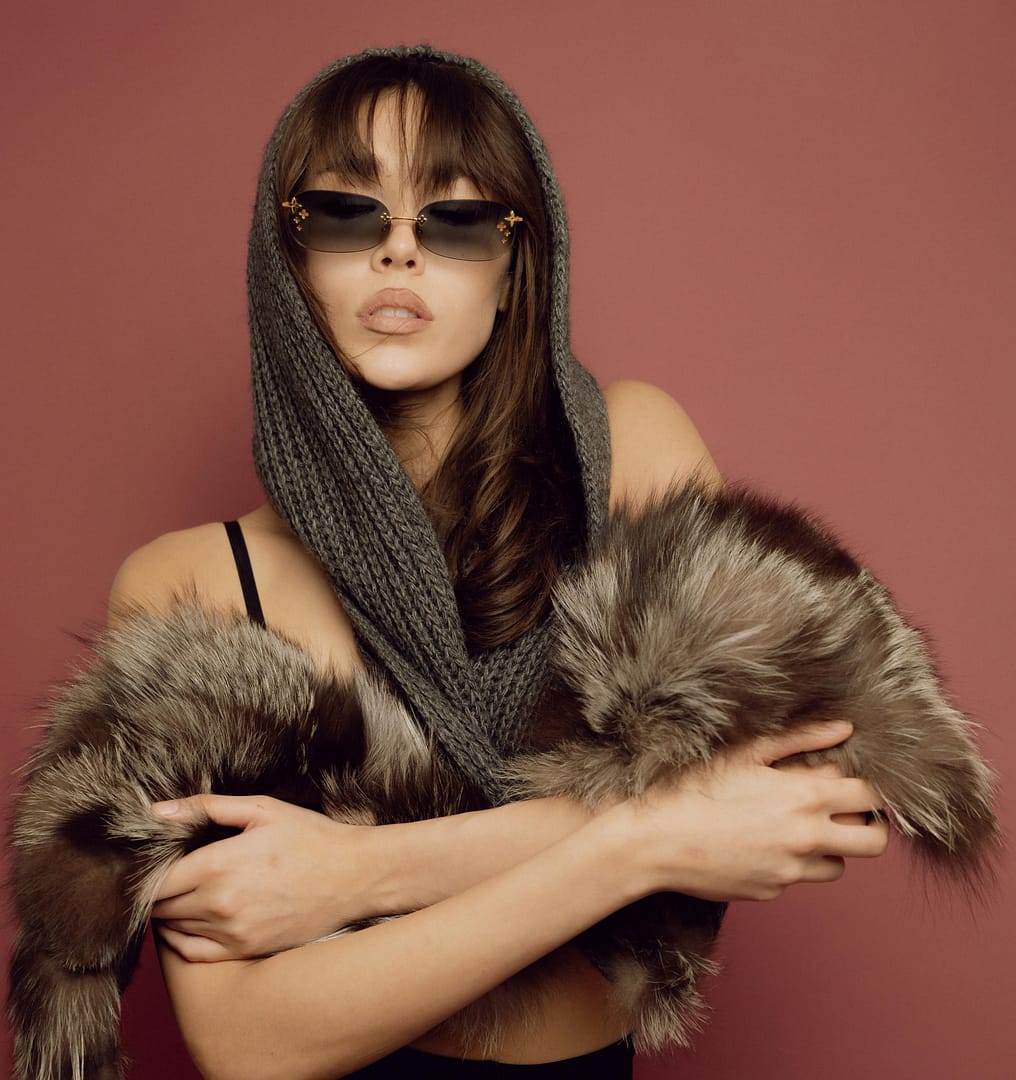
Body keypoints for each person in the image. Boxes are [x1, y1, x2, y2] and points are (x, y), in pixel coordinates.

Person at [108, 46, 887, 1079]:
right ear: (287, 265)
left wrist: (361, 874)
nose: (399, 254)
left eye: (455, 221)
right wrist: (657, 827)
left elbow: (823, 784)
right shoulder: (188, 583)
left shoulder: (626, 456)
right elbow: (249, 1042)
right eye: (347, 215)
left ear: (517, 269)